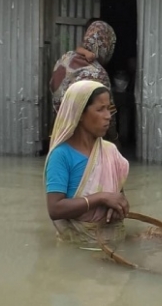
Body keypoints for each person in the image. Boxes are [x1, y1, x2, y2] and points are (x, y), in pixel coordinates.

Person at [43, 80, 130, 245]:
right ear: (80, 113)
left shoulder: (110, 151)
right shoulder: (61, 155)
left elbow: (120, 198)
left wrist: (119, 207)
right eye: (100, 109)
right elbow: (55, 209)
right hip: (77, 247)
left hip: (115, 243)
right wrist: (100, 198)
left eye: (108, 109)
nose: (108, 116)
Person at [50, 20, 119, 143]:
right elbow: (109, 114)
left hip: (60, 132)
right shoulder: (98, 73)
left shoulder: (65, 58)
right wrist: (115, 140)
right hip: (84, 139)